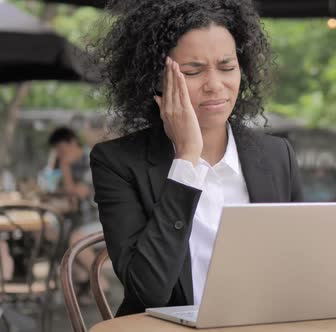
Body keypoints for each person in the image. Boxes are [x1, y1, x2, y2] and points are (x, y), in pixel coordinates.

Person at [89, 0, 303, 317]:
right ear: (157, 79)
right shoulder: (117, 162)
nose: (215, 86)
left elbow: (300, 265)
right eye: (192, 71)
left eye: (227, 67)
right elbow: (150, 291)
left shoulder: (276, 156)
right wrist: (187, 160)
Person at [47, 127, 107, 298]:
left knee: (75, 238)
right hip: (81, 220)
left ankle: (102, 284)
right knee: (53, 233)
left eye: (60, 149)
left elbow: (78, 193)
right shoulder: (72, 164)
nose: (59, 154)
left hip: (101, 218)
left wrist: (64, 166)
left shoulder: (92, 159)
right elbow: (67, 198)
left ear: (72, 142)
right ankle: (82, 280)